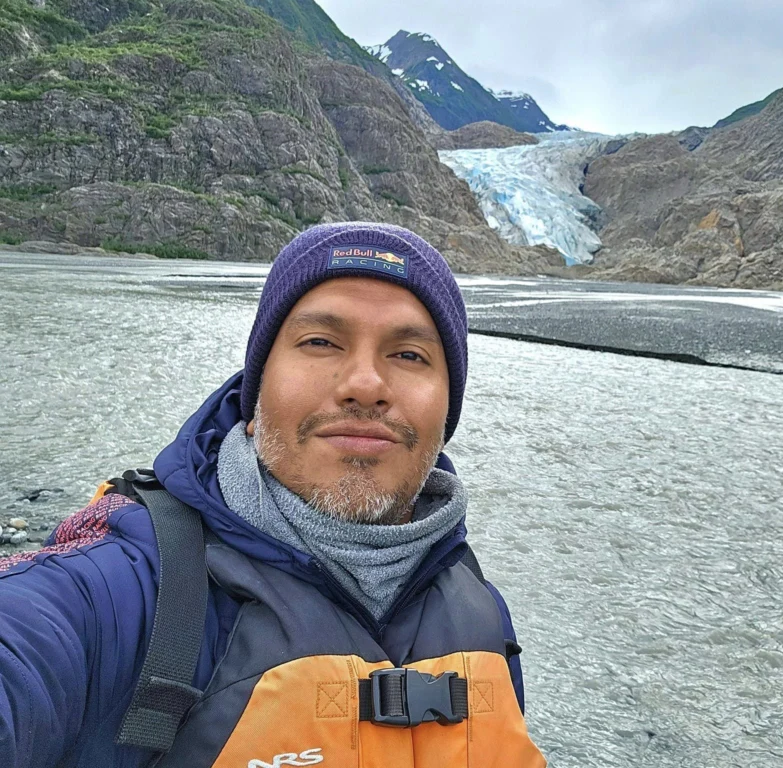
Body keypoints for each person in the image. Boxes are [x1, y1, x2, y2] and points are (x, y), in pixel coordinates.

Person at [0, 222, 546, 768]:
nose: (365, 384)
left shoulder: (480, 608)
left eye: (408, 355)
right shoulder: (123, 595)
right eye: (320, 342)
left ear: (445, 413)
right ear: (254, 400)